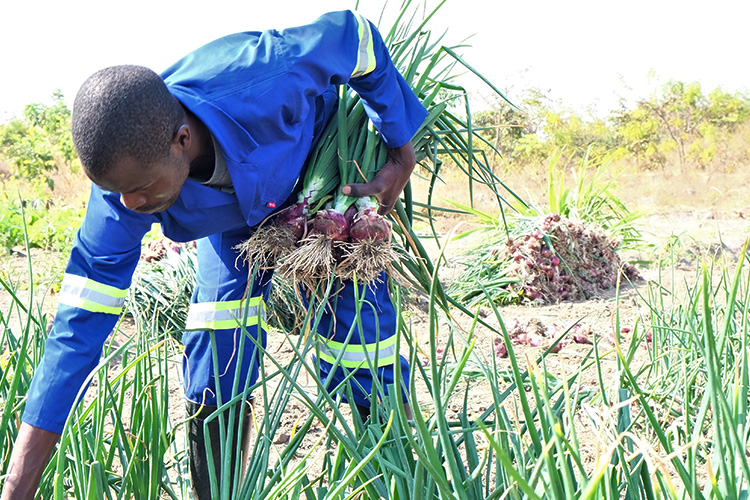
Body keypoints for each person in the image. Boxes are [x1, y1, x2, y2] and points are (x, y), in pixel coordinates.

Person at [1, 10, 427, 500]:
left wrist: (398, 149)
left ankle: (396, 474)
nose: (131, 206)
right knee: (218, 340)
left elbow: (357, 37)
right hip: (231, 217)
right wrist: (17, 488)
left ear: (182, 140)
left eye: (140, 190)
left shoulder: (266, 74)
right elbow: (77, 326)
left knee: (359, 334)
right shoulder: (123, 191)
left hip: (320, 180)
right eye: (117, 194)